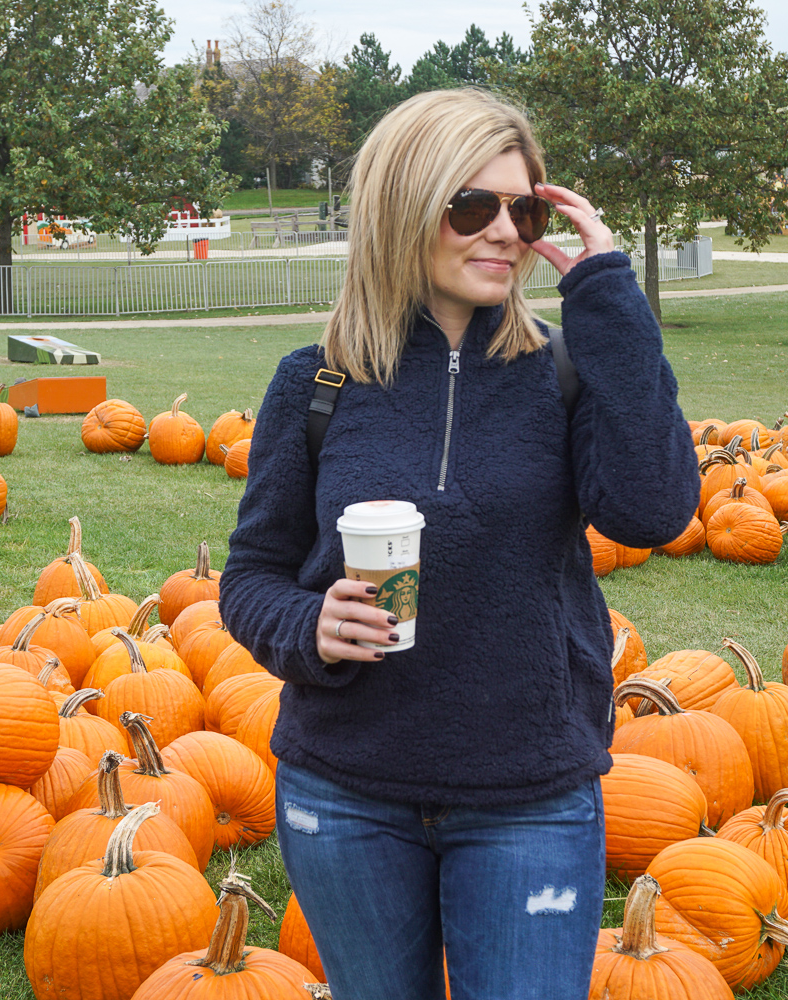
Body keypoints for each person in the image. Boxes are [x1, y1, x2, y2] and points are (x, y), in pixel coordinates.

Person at [218, 88, 700, 1000]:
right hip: (346, 792)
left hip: (529, 794)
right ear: (405, 210)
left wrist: (609, 298)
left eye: (523, 209)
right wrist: (306, 627)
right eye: (474, 207)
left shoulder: (560, 371)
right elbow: (251, 576)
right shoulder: (315, 383)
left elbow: (653, 509)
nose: (508, 233)